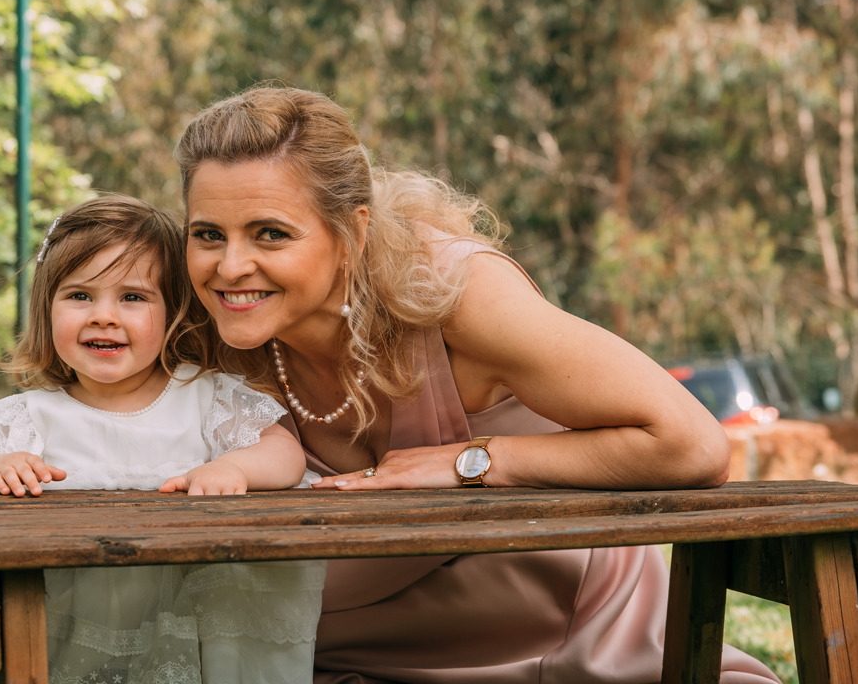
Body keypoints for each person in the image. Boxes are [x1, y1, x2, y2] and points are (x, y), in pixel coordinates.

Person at [174, 85, 781, 684]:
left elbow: (693, 445)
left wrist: (471, 461)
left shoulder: (456, 293)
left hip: (569, 631)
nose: (230, 267)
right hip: (345, 649)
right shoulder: (200, 322)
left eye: (271, 233)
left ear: (352, 235)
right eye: (208, 234)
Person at [0, 194, 326, 684]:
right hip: (57, 627)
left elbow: (285, 455)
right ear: (46, 309)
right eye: (79, 296)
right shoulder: (26, 417)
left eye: (132, 297)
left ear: (173, 311)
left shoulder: (204, 397)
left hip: (185, 624)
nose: (103, 316)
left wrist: (235, 467)